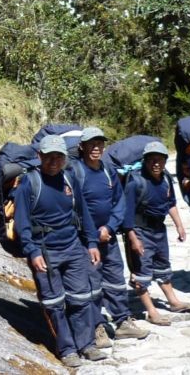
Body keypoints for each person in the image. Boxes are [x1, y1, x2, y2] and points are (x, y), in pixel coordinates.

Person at [14, 134, 107, 368]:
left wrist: (92, 243)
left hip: (73, 246)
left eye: (59, 157)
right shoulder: (28, 183)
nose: (54, 161)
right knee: (55, 304)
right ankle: (67, 350)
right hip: (45, 250)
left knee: (81, 298)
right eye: (49, 157)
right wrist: (32, 251)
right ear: (39, 156)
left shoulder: (69, 178)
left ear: (65, 158)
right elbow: (22, 222)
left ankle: (87, 345)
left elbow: (83, 213)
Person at [69, 127, 149, 347]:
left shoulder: (108, 170)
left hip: (109, 237)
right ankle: (97, 328)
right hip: (86, 240)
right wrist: (93, 234)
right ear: (81, 147)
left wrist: (110, 228)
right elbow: (75, 207)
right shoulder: (76, 171)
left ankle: (123, 322)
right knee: (92, 284)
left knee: (115, 280)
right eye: (91, 144)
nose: (96, 148)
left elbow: (119, 202)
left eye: (100, 144)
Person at [126, 141, 190, 325]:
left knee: (163, 267)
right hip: (139, 231)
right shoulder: (135, 181)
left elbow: (171, 203)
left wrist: (179, 226)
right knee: (141, 273)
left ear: (165, 161)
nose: (155, 164)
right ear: (145, 161)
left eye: (159, 160)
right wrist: (133, 239)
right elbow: (125, 215)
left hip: (159, 230)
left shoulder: (166, 178)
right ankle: (151, 311)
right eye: (151, 160)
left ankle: (173, 301)